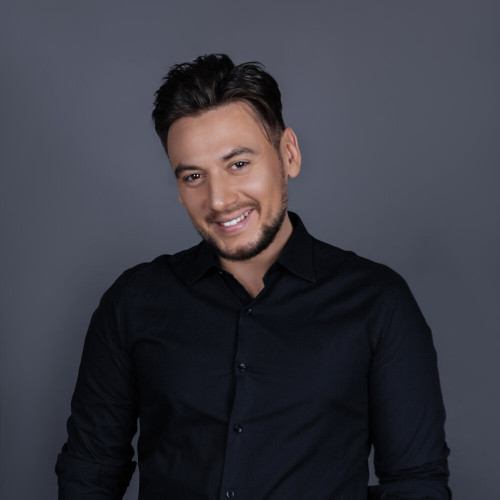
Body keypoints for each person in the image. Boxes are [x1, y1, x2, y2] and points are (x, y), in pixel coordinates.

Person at [56, 54, 451, 499]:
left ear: (289, 154)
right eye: (194, 176)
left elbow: (416, 484)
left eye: (238, 164)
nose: (219, 199)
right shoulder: (132, 302)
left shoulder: (378, 302)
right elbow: (90, 472)